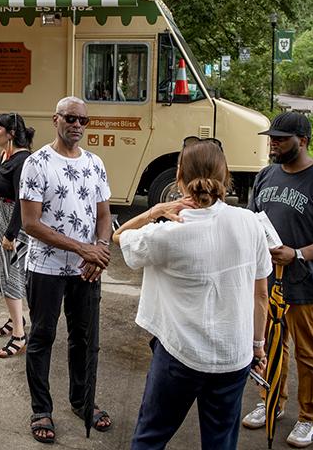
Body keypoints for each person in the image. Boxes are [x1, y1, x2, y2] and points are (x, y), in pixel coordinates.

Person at [114, 138, 271, 450]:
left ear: (179, 177)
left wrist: (154, 211)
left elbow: (119, 237)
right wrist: (257, 347)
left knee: (151, 436)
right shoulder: (250, 223)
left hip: (179, 354)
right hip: (234, 354)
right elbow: (261, 295)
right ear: (225, 175)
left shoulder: (167, 233)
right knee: (221, 442)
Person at [242, 111, 313, 448]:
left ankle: (310, 418)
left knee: (308, 353)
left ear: (302, 141)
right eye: (271, 138)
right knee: (270, 348)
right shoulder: (266, 175)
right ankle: (272, 400)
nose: (273, 144)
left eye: (281, 139)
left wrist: (298, 254)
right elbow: (252, 220)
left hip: (305, 283)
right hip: (268, 282)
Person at [19, 96, 113, 444]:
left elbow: (104, 215)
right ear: (55, 119)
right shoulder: (37, 163)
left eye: (83, 120)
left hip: (85, 270)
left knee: (84, 339)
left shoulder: (95, 163)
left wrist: (99, 250)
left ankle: (82, 401)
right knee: (43, 336)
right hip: (46, 267)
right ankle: (41, 409)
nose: (77, 125)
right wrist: (81, 248)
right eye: (71, 118)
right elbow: (31, 223)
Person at [0, 112, 35, 358]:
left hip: (11, 224)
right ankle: (15, 319)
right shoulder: (5, 154)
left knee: (11, 275)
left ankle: (20, 335)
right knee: (2, 273)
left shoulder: (23, 160)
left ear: (11, 133)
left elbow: (24, 202)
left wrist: (11, 234)